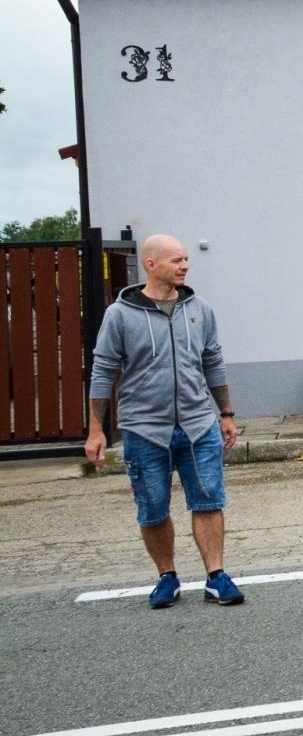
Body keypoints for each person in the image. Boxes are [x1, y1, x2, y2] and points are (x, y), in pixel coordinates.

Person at [85, 234, 243, 609]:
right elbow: (104, 370)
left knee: (208, 501)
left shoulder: (199, 309)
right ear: (150, 264)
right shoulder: (120, 314)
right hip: (144, 428)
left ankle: (216, 576)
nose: (185, 266)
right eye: (176, 260)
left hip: (198, 424)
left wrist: (225, 414)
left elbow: (213, 362)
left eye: (186, 259)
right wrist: (96, 429)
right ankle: (167, 577)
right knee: (153, 507)